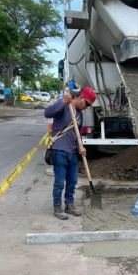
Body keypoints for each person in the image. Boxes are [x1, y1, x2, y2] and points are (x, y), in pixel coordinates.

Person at [43, 86, 97, 220]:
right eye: (87, 103)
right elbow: (47, 113)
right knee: (60, 182)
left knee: (72, 181)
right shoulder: (64, 105)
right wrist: (63, 103)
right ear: (80, 97)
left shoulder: (80, 115)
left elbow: (76, 134)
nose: (87, 107)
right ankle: (57, 207)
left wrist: (81, 147)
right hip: (59, 150)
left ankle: (69, 204)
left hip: (72, 152)